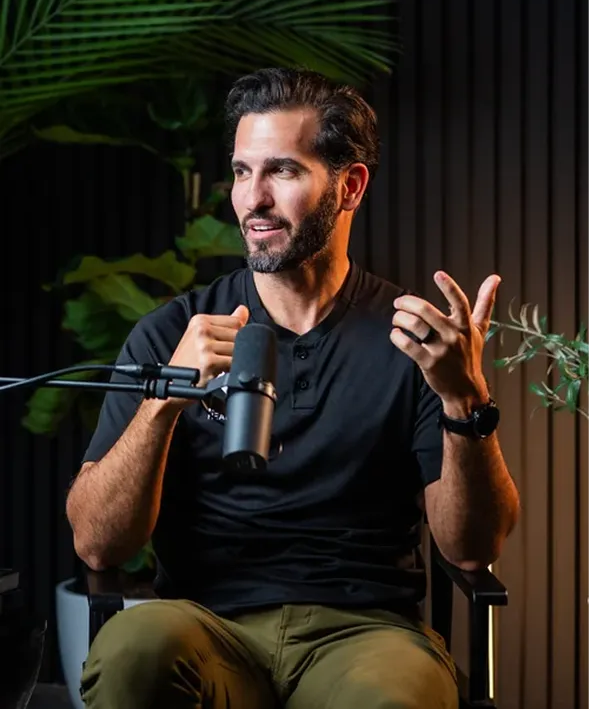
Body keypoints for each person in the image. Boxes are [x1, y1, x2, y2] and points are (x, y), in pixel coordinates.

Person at [67, 67, 520, 709]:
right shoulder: (173, 333)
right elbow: (95, 542)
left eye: (281, 170)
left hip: (365, 635)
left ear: (350, 185)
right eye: (242, 171)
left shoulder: (416, 343)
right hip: (204, 625)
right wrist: (165, 397)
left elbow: (472, 552)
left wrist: (463, 400)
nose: (253, 200)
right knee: (132, 649)